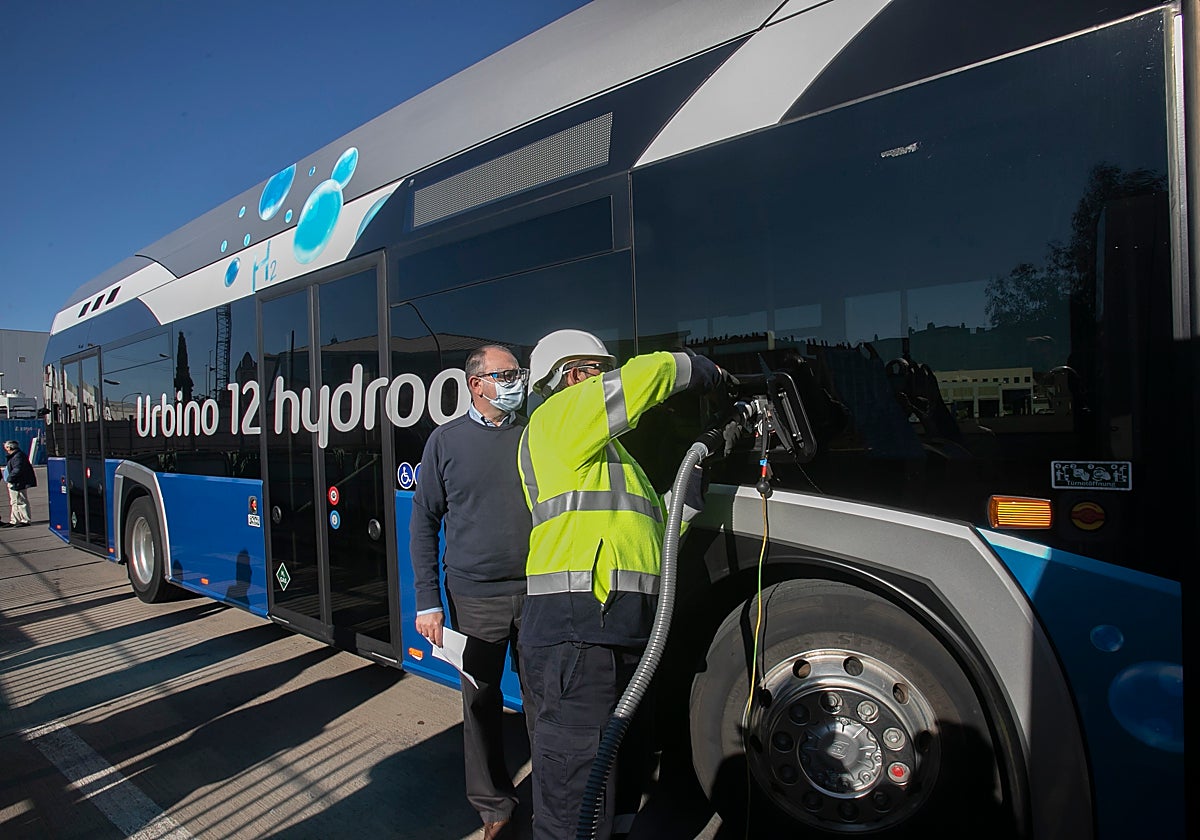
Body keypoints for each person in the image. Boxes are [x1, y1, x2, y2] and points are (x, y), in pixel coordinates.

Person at [517, 329, 725, 840]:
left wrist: (689, 493)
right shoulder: (554, 421)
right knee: (575, 791)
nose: (605, 379)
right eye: (595, 369)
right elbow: (638, 381)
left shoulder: (612, 461)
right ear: (566, 377)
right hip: (578, 631)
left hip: (617, 630)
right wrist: (692, 366)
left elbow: (656, 531)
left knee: (619, 781)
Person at [409, 345, 534, 840]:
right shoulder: (446, 442)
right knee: (480, 704)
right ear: (476, 384)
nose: (516, 381)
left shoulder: (533, 436)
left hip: (539, 591)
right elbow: (423, 524)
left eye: (518, 373)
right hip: (474, 598)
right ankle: (494, 808)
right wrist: (427, 600)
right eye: (506, 374)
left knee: (546, 700)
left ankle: (555, 796)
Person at [3, 440, 37, 527]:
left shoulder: (18, 456)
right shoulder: (15, 456)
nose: (5, 449)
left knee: (21, 501)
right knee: (14, 502)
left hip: (18, 482)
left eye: (6, 447)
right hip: (14, 482)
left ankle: (25, 520)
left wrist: (10, 478)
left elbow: (18, 469)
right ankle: (14, 520)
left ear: (10, 447)